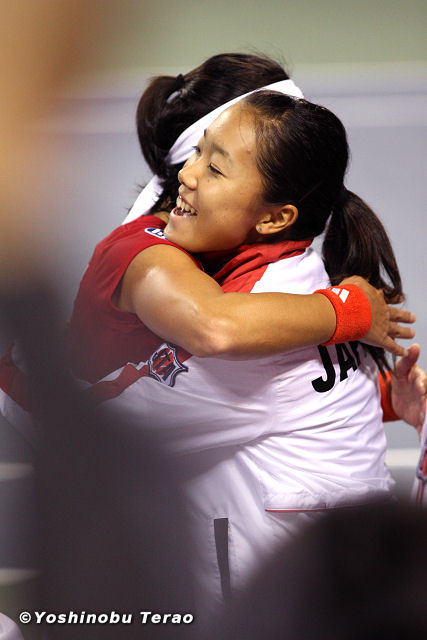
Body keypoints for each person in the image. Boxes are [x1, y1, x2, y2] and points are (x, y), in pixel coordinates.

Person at [68, 82, 426, 622]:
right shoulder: (307, 282)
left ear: (275, 217)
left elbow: (101, 429)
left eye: (216, 168)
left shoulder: (250, 328)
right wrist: (382, 395)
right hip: (347, 588)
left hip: (283, 609)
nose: (188, 175)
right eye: (198, 154)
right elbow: (295, 394)